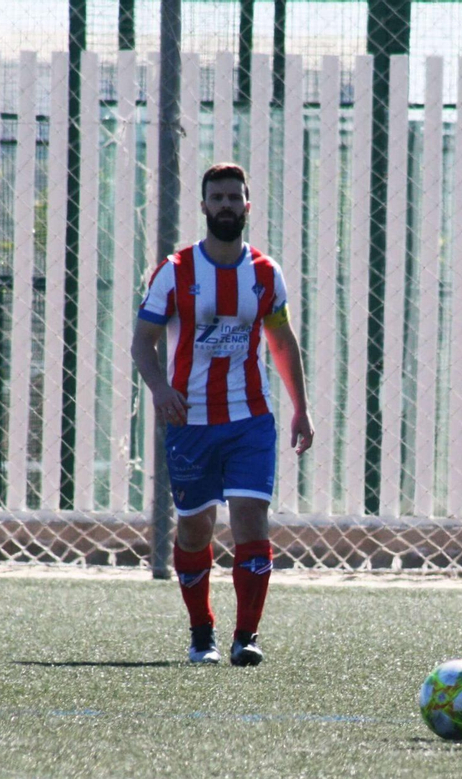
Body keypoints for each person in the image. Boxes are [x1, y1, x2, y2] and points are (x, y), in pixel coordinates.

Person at [131, 162, 314, 667]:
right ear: (205, 206)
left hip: (249, 419)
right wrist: (161, 388)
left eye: (235, 197)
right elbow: (142, 343)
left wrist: (301, 408)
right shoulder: (175, 271)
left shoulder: (264, 273)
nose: (227, 205)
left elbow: (280, 341)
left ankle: (246, 637)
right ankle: (201, 633)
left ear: (247, 207)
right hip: (190, 421)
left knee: (252, 518)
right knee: (195, 528)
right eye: (219, 198)